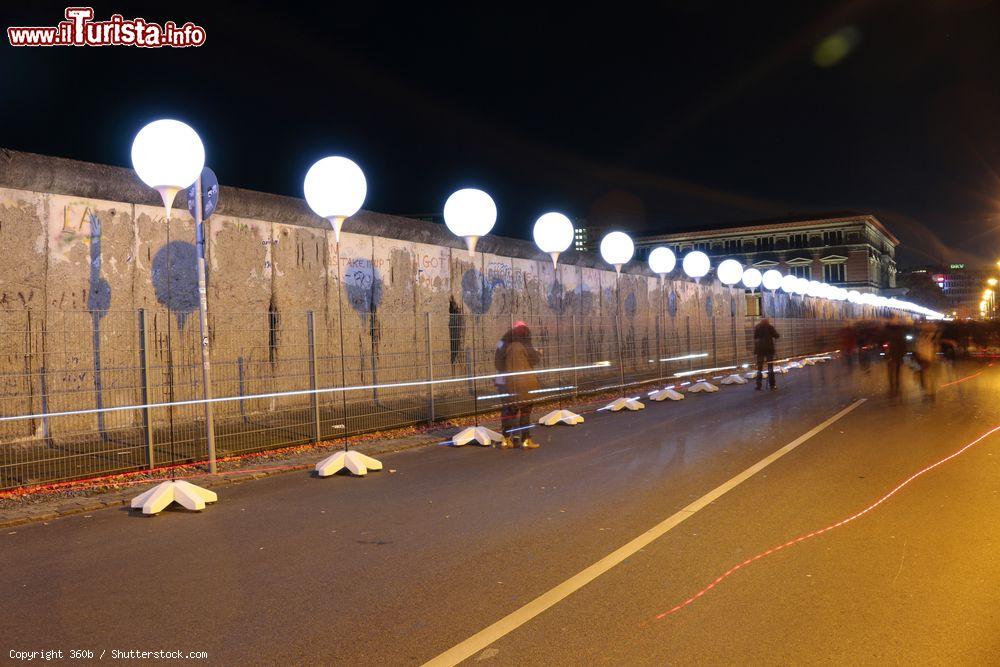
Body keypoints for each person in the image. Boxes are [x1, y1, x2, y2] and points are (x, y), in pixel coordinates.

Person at [495, 322, 542, 449]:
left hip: (508, 384)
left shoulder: (503, 344)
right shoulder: (525, 343)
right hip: (525, 384)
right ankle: (526, 439)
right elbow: (535, 360)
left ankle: (506, 439)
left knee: (508, 412)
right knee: (525, 412)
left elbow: (498, 364)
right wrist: (539, 353)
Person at [753, 317, 780, 390]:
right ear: (767, 321)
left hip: (760, 350)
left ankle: (758, 385)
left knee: (759, 368)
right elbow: (777, 336)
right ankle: (772, 385)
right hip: (769, 350)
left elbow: (755, 337)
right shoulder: (770, 327)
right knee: (770, 367)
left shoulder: (757, 327)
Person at [883, 318, 907, 397]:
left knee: (890, 372)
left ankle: (892, 389)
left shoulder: (886, 332)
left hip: (890, 354)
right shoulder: (901, 332)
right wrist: (903, 355)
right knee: (897, 372)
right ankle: (897, 388)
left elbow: (883, 342)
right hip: (898, 355)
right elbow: (904, 345)